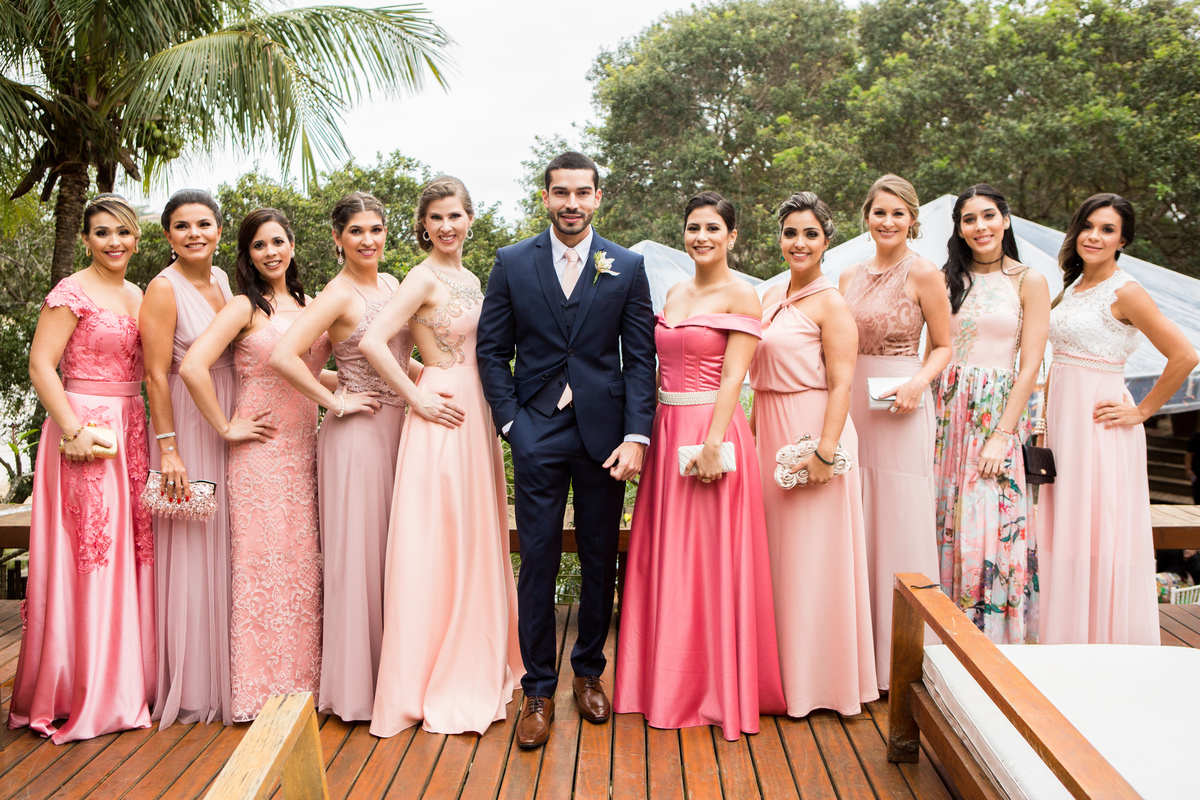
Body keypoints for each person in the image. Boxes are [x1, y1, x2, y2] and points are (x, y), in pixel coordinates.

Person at [477, 152, 656, 749]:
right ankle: (538, 687)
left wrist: (636, 436)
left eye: (582, 193)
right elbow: (491, 351)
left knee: (601, 557)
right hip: (537, 431)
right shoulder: (511, 262)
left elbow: (640, 360)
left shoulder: (626, 267)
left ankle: (588, 673)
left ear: (598, 198)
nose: (571, 203)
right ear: (545, 196)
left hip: (606, 436)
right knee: (539, 559)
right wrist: (511, 426)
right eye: (561, 193)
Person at [614, 191, 785, 741]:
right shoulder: (675, 289)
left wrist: (713, 443)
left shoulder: (744, 294)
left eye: (713, 228)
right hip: (667, 432)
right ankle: (662, 684)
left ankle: (714, 689)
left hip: (713, 431)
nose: (702, 237)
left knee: (711, 560)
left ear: (732, 236)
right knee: (668, 557)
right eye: (693, 227)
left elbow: (735, 376)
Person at [362, 177, 521, 737]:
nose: (447, 226)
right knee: (441, 536)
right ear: (423, 225)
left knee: (474, 532)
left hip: (476, 409)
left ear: (469, 218)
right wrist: (417, 397)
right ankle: (432, 671)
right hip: (444, 415)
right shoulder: (422, 277)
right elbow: (373, 341)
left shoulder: (470, 277)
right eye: (436, 218)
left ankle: (478, 651)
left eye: (455, 216)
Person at [180, 208, 337, 721]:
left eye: (278, 242)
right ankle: (258, 690)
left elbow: (318, 372)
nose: (271, 252)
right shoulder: (245, 308)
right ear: (246, 254)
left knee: (303, 569)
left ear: (293, 245)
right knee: (263, 569)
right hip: (260, 453)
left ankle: (306, 684)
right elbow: (192, 366)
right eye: (258, 246)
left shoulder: (313, 304)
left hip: (306, 449)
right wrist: (227, 428)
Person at [9, 194, 155, 743]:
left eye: (122, 232)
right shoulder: (70, 292)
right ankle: (79, 688)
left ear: (136, 238)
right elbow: (40, 365)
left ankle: (123, 680)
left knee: (128, 550)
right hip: (85, 429)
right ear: (86, 239)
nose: (114, 242)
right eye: (102, 233)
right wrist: (72, 431)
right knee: (90, 555)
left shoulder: (139, 293)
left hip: (130, 426)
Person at [271, 191, 411, 721]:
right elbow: (286, 357)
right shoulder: (335, 294)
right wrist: (338, 399)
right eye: (356, 231)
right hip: (357, 438)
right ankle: (357, 691)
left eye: (376, 229)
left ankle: (393, 676)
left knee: (394, 555)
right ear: (337, 238)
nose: (368, 240)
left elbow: (397, 359)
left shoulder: (395, 285)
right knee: (359, 559)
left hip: (400, 428)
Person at [1040, 193, 1198, 644]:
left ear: (1122, 239)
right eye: (1088, 225)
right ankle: (1068, 633)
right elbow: (1061, 360)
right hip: (1063, 424)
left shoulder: (1125, 291)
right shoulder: (1072, 286)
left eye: (1107, 229)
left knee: (1097, 527)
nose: (1094, 236)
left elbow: (1184, 355)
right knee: (1069, 526)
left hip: (1101, 426)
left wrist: (1143, 410)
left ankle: (1103, 638)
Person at [750, 192, 877, 718]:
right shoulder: (770, 294)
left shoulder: (832, 303)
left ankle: (818, 685)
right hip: (767, 431)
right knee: (776, 558)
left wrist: (825, 452)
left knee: (813, 560)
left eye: (809, 234)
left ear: (827, 241)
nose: (798, 243)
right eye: (790, 233)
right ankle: (776, 677)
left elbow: (843, 383)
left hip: (812, 431)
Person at [840, 174, 952, 691]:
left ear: (912, 219)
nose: (887, 222)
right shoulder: (848, 275)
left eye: (897, 213)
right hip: (851, 404)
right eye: (878, 212)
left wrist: (918, 385)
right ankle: (857, 654)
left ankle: (906, 660)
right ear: (866, 217)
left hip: (900, 402)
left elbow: (946, 346)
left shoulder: (925, 272)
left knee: (898, 517)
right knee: (855, 515)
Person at [932, 185, 1050, 644]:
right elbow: (936, 352)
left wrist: (1002, 435)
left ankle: (992, 646)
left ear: (1005, 219)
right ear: (959, 229)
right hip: (946, 415)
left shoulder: (1028, 281)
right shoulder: (947, 280)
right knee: (945, 522)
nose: (979, 227)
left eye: (987, 216)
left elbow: (1031, 367)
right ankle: (941, 642)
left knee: (989, 529)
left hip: (994, 416)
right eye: (968, 219)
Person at [140, 189, 234, 727]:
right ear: (168, 235)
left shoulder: (223, 280)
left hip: (230, 409)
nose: (194, 233)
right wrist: (168, 449)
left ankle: (230, 667)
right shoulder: (163, 288)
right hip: (189, 421)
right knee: (195, 543)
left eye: (203, 224)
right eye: (182, 226)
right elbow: (155, 374)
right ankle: (195, 684)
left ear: (219, 231)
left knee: (227, 541)